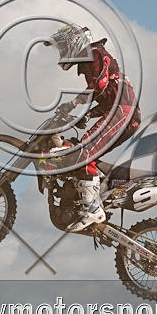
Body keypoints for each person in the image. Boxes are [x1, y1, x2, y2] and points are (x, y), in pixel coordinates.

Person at [45, 23, 141, 231]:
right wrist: (88, 114)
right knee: (80, 152)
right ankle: (91, 198)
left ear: (75, 42)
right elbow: (107, 94)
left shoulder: (95, 54)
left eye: (63, 46)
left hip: (123, 113)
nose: (62, 51)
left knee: (84, 152)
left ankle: (93, 209)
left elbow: (99, 86)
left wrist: (73, 104)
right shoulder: (91, 60)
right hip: (120, 112)